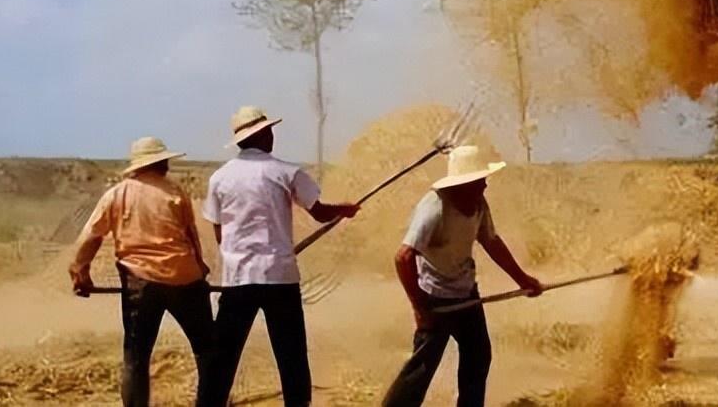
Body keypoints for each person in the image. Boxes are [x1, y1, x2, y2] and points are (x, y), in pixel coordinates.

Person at [203, 106, 359, 407]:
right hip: (280, 277)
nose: (272, 135)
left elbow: (220, 232)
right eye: (269, 131)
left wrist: (239, 251)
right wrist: (344, 209)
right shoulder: (286, 172)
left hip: (238, 279)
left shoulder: (219, 179)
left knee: (222, 360)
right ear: (262, 135)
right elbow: (319, 212)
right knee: (292, 359)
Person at [382, 145, 543, 407]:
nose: (484, 186)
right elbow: (403, 257)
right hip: (435, 300)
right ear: (462, 183)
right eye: (479, 181)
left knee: (478, 356)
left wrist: (523, 280)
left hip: (467, 294)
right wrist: (419, 306)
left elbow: (491, 241)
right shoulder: (435, 208)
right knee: (422, 367)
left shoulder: (478, 204)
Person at [69, 136, 215, 407]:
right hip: (184, 277)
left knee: (136, 356)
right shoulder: (175, 193)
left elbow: (91, 237)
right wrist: (201, 268)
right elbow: (190, 236)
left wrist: (79, 270)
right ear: (160, 162)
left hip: (140, 283)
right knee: (207, 350)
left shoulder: (116, 194)